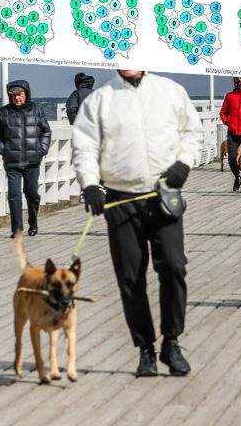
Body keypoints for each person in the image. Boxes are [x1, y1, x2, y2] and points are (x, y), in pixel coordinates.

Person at [72, 69, 202, 377]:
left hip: (163, 193)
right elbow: (85, 146)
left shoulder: (170, 91)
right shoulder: (100, 99)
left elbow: (192, 132)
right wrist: (90, 184)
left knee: (173, 266)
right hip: (120, 198)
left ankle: (172, 341)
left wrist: (184, 163)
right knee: (130, 278)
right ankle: (146, 349)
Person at [0, 80, 51, 236]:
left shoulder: (37, 110)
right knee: (14, 195)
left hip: (32, 161)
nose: (17, 98)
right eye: (14, 96)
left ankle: (33, 222)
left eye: (20, 95)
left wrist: (42, 149)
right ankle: (16, 229)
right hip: (12, 162)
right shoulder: (3, 113)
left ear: (26, 94)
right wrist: (5, 151)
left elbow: (46, 131)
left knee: (32, 194)